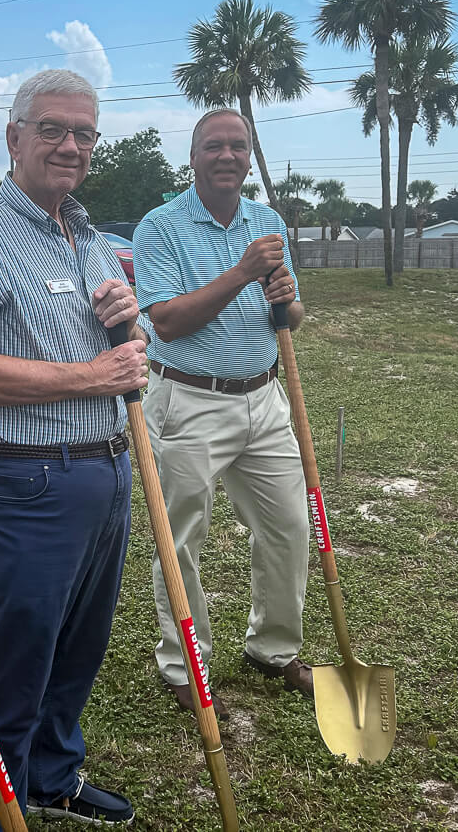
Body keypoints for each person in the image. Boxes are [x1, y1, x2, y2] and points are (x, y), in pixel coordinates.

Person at [0, 69, 146, 830]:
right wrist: (94, 373)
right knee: (13, 663)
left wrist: (126, 325)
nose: (69, 145)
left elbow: (128, 357)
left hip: (104, 473)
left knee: (77, 650)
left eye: (84, 133)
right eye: (51, 129)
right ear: (14, 138)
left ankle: (49, 777)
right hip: (16, 483)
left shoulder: (93, 239)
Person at [133, 108, 313, 721]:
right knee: (180, 537)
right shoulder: (160, 227)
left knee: (290, 526)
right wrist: (243, 272)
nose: (228, 156)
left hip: (265, 400)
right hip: (189, 400)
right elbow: (165, 319)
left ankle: (273, 647)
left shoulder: (268, 223)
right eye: (215, 146)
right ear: (194, 156)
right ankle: (184, 663)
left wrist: (286, 302)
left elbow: (288, 319)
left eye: (239, 146)